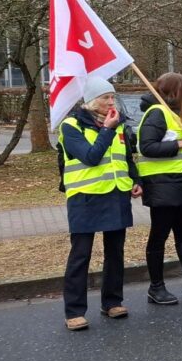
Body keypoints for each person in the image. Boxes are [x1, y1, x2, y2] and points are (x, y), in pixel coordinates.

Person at [58, 77, 143, 331]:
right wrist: (107, 129)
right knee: (80, 255)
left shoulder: (117, 125)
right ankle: (74, 311)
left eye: (112, 97)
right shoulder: (71, 126)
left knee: (115, 253)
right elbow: (91, 157)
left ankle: (112, 302)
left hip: (116, 195)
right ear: (92, 101)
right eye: (106, 97)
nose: (111, 101)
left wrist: (135, 179)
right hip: (85, 197)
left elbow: (126, 157)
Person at [136, 73, 182, 305]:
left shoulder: (176, 113)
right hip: (163, 186)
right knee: (160, 235)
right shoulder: (157, 112)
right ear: (175, 91)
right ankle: (156, 287)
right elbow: (147, 146)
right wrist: (179, 144)